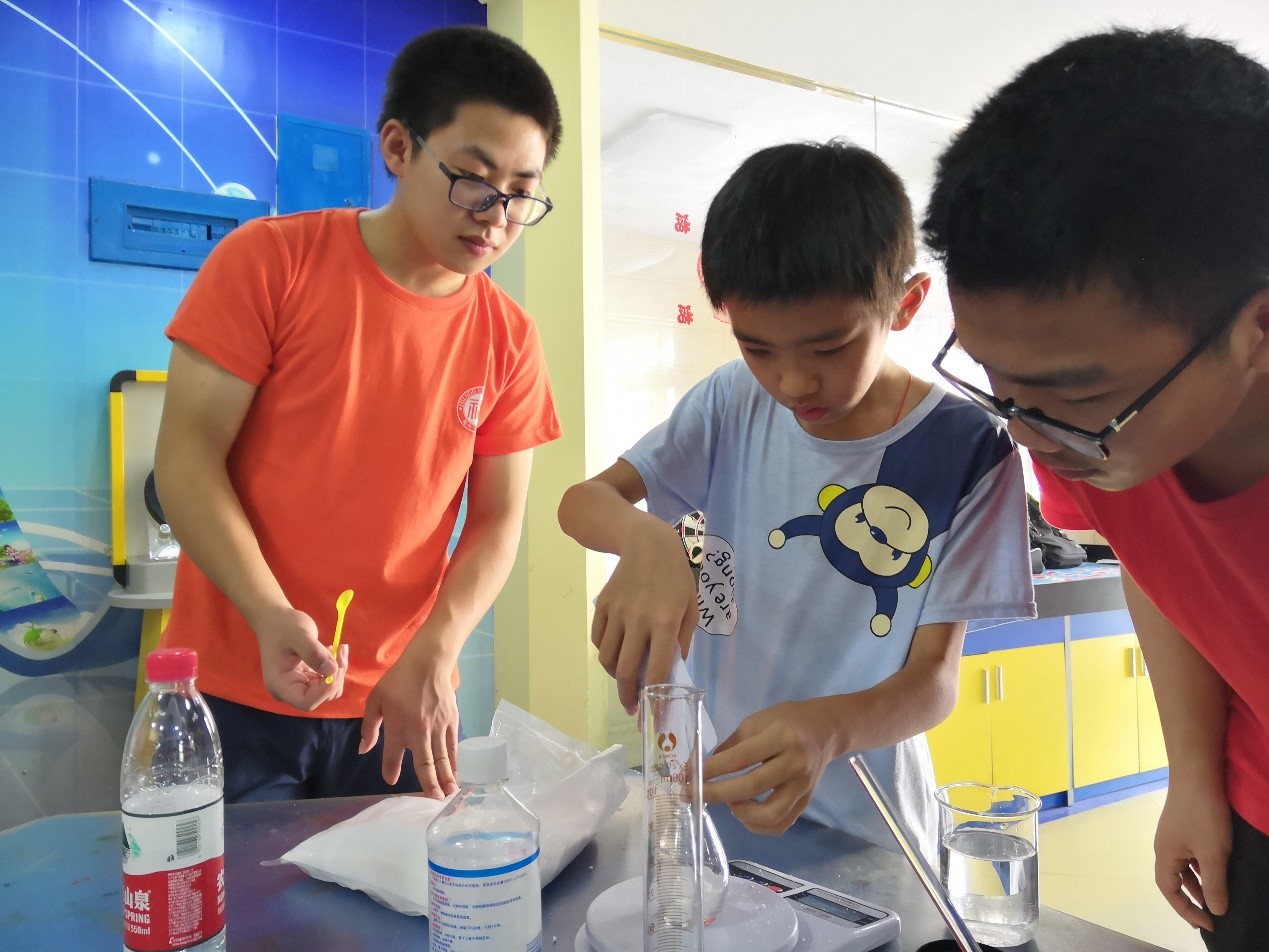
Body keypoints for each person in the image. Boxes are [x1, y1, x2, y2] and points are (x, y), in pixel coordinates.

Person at [558, 141, 1035, 854]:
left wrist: (827, 729)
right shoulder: (731, 401)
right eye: (757, 348)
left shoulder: (967, 449)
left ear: (904, 304)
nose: (791, 383)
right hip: (714, 793)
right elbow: (582, 502)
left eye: (828, 348)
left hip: (871, 822)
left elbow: (934, 683)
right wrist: (646, 540)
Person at [922, 27, 1269, 951]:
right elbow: (1159, 568)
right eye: (995, 383)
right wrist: (1193, 776)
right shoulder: (1087, 431)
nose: (1028, 435)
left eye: (1071, 396)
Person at [153, 26, 563, 804]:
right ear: (399, 148)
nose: (496, 216)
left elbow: (496, 522)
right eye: (473, 180)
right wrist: (268, 613)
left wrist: (436, 651)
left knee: (407, 883)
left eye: (520, 192)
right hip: (236, 688)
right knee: (227, 885)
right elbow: (186, 461)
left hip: (401, 700)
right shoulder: (269, 262)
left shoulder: (508, 337)